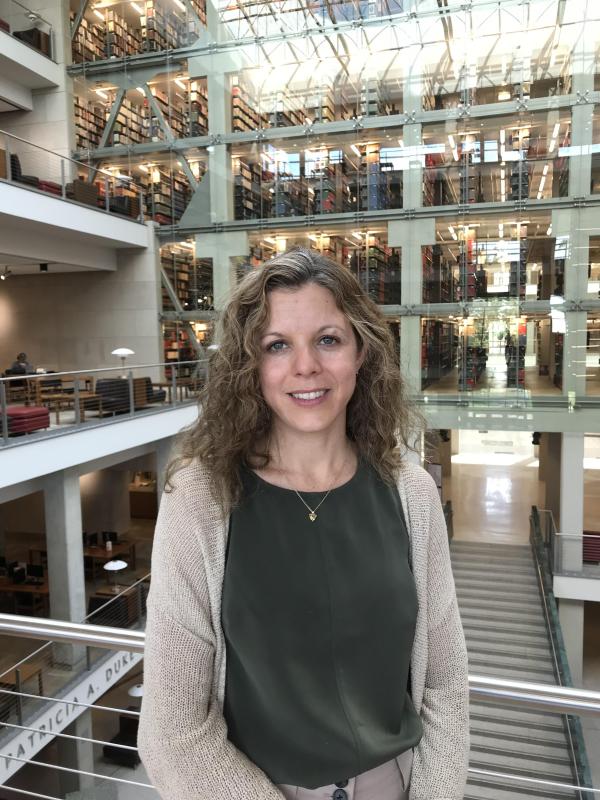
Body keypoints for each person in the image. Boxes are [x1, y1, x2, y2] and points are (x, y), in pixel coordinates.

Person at [138, 248, 469, 800]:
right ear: (251, 366)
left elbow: (446, 679)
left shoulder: (411, 492)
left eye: (328, 339)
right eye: (277, 346)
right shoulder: (199, 498)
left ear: (361, 352)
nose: (306, 366)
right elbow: (172, 728)